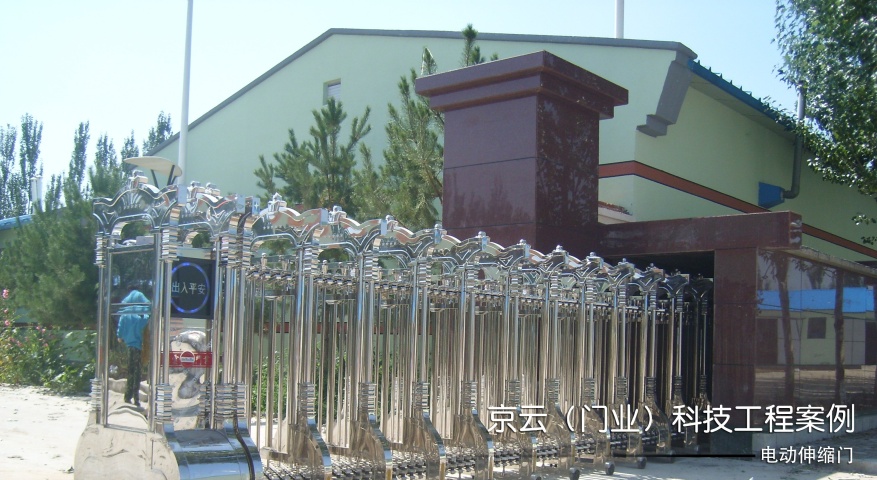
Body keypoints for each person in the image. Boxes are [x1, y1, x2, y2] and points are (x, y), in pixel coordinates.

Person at [117, 285, 150, 407]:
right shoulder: (141, 314)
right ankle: (135, 397)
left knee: (130, 371)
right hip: (138, 346)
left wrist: (120, 335)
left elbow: (120, 332)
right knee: (137, 372)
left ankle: (128, 396)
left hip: (129, 346)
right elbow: (146, 319)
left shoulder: (125, 314)